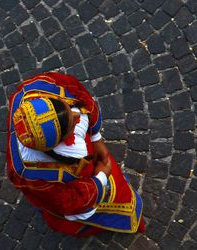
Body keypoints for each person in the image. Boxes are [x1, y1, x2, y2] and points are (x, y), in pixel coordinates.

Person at [7, 72, 145, 237]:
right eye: (73, 124)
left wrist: (96, 137)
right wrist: (101, 178)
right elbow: (70, 201)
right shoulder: (31, 174)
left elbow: (78, 91)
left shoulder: (40, 86)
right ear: (58, 143)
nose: (77, 115)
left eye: (68, 108)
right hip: (84, 188)